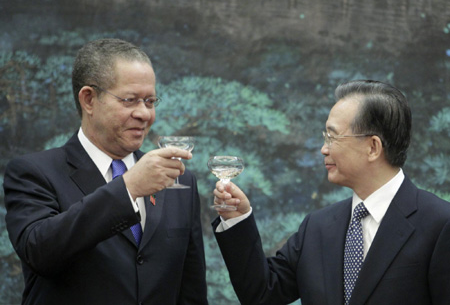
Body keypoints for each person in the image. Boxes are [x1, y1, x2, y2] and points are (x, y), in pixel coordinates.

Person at [4, 38, 208, 305]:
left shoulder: (178, 179)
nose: (144, 114)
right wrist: (128, 188)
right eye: (130, 100)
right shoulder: (34, 172)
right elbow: (39, 251)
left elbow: (190, 291)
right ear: (89, 99)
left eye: (150, 101)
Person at [212, 80, 450, 305]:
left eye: (333, 136)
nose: (324, 149)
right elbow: (261, 293)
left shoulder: (439, 225)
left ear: (373, 147)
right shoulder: (317, 227)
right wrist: (236, 218)